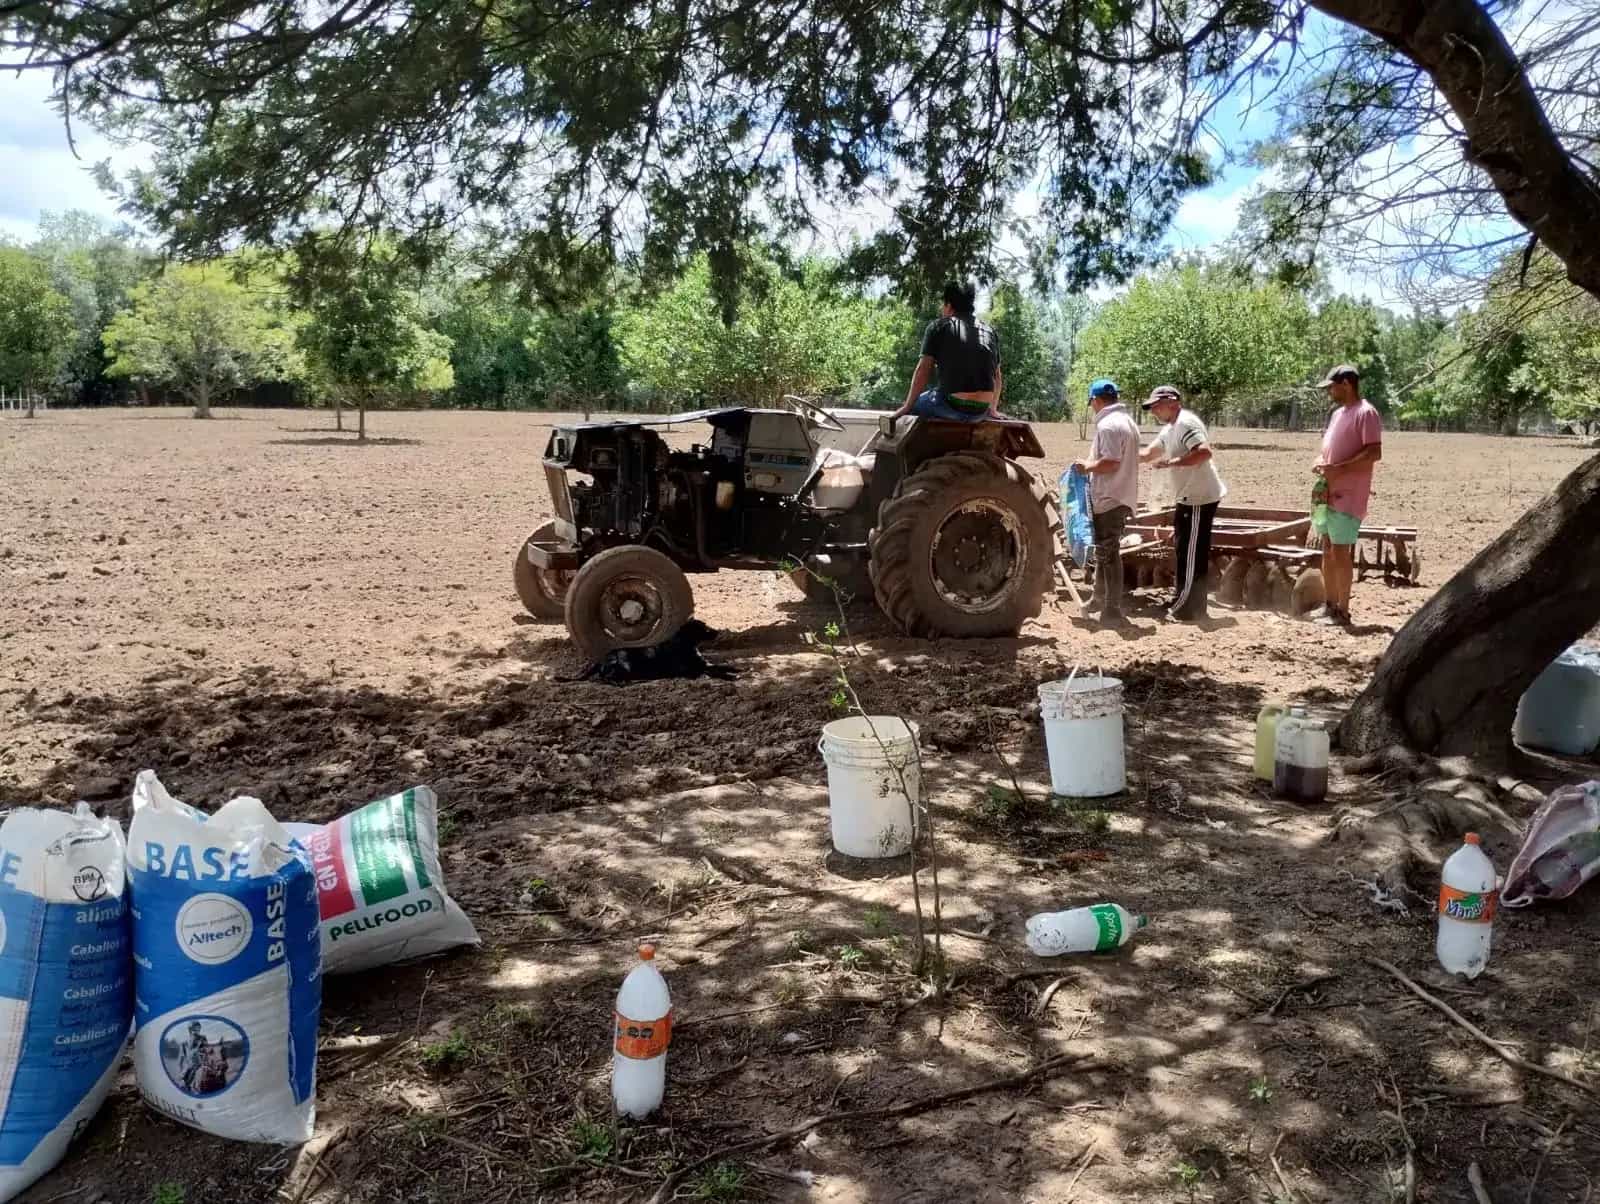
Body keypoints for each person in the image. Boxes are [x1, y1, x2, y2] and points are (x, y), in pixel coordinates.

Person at [1139, 385, 1226, 621]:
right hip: (1187, 496)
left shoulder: (1186, 423)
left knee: (1191, 553)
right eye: (1152, 408)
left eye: (1157, 406)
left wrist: (1172, 462)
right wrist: (1125, 459)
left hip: (1199, 496)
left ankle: (1188, 608)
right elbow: (1149, 453)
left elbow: (1204, 452)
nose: (1154, 411)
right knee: (1183, 549)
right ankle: (1185, 600)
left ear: (1173, 402)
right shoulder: (1170, 429)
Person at [1312, 364, 1383, 626]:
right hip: (1328, 492)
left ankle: (1343, 610)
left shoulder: (1366, 413)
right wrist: (1320, 461)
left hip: (1349, 493)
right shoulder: (1337, 414)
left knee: (1341, 552)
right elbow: (1329, 449)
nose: (1330, 391)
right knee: (1328, 549)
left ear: (1347, 384)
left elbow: (1374, 452)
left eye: (1332, 386)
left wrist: (1339, 469)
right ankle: (1329, 606)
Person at [1071, 378, 1141, 625]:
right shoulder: (1127, 423)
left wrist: (1087, 466)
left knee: (1109, 553)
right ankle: (1099, 599)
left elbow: (1111, 461)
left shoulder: (1109, 426)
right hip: (1119, 494)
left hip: (1110, 496)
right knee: (1104, 552)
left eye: (1091, 403)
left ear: (1096, 401)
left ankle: (1112, 609)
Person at [893, 281, 1003, 422]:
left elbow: (922, 370)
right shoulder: (989, 330)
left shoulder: (938, 326)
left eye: (942, 304)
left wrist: (907, 406)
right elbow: (997, 376)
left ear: (948, 305)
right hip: (981, 410)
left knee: (915, 407)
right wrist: (992, 409)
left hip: (951, 407)